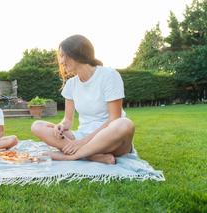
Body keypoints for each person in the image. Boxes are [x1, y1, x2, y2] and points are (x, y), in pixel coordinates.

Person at [31, 34, 135, 164]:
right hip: (82, 135)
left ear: (76, 54)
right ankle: (92, 156)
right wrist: (61, 126)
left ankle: (72, 156)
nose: (61, 61)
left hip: (111, 138)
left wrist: (82, 143)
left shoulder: (109, 75)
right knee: (37, 126)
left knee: (125, 123)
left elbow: (114, 119)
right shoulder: (71, 84)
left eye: (63, 55)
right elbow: (68, 120)